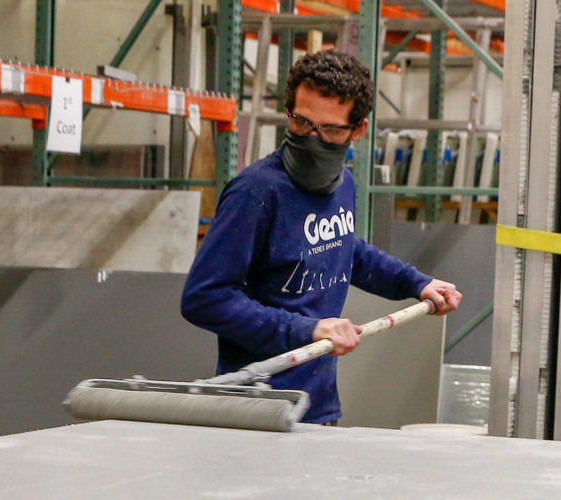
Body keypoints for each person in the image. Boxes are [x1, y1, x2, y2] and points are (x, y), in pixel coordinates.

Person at [181, 50, 461, 425]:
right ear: (288, 112)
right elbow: (204, 299)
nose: (312, 138)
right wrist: (308, 329)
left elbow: (345, 250)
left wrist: (417, 282)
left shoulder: (343, 185)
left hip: (317, 406)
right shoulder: (256, 194)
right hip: (257, 411)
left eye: (329, 129)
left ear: (357, 130)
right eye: (301, 122)